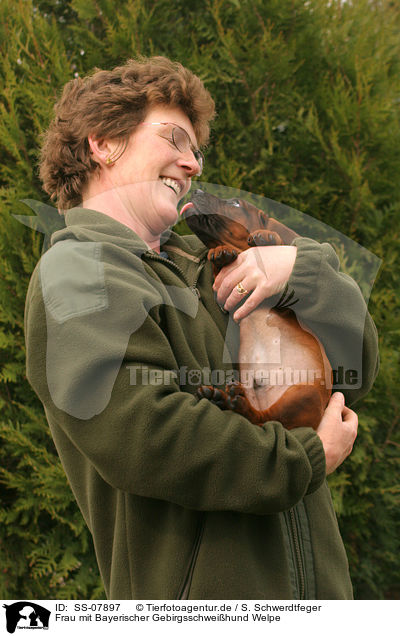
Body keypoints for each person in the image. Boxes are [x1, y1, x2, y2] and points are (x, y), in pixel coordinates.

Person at [25, 56, 378, 600]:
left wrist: (301, 271)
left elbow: (352, 373)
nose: (191, 163)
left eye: (196, 150)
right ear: (103, 142)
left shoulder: (221, 262)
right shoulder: (79, 270)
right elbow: (143, 432)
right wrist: (302, 459)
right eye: (174, 139)